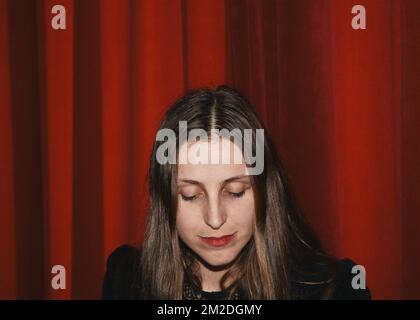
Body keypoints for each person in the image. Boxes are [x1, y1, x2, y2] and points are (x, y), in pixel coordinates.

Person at [102, 85, 371, 300]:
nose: (215, 219)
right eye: (191, 195)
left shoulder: (338, 290)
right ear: (164, 200)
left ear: (265, 190)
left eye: (235, 191)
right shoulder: (125, 280)